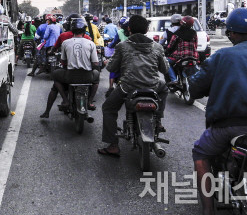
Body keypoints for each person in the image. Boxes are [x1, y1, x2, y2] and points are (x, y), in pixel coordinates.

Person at [189, 8, 247, 215]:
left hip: (230, 127)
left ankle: (208, 209)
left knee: (200, 154)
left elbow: (196, 88)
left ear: (231, 33)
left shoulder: (222, 56)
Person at [98, 15, 169, 157]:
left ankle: (113, 145)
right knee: (165, 88)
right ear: (147, 29)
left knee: (108, 108)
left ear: (129, 29)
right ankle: (159, 119)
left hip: (128, 87)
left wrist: (109, 63)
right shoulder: (157, 47)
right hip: (153, 86)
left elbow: (111, 68)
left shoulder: (122, 46)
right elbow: (165, 69)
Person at [40, 17, 98, 118]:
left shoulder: (65, 42)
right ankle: (89, 101)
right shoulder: (90, 42)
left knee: (55, 76)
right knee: (97, 76)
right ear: (84, 30)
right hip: (87, 76)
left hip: (70, 76)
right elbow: (96, 63)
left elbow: (63, 61)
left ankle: (64, 101)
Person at [165, 15, 198, 85]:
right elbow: (196, 45)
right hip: (193, 56)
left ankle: (174, 79)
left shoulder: (177, 33)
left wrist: (166, 50)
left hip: (180, 57)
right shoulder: (194, 33)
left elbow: (170, 46)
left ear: (181, 23)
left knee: (166, 62)